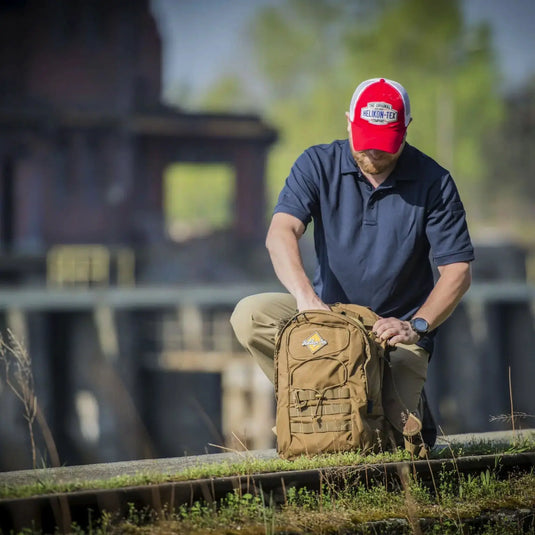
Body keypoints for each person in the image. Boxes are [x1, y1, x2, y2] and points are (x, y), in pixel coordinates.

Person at [231, 77, 474, 451]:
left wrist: (416, 325)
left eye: (384, 144)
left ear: (406, 129)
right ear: (348, 122)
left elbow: (457, 270)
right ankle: (316, 393)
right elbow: (281, 232)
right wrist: (305, 299)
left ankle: (391, 406)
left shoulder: (435, 181)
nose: (374, 153)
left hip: (393, 331)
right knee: (250, 315)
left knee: (401, 451)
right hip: (330, 318)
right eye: (366, 140)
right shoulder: (316, 163)